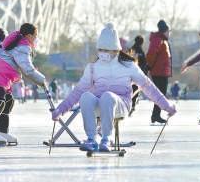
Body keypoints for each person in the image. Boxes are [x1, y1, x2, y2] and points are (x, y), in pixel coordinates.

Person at [51, 23, 176, 152]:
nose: (102, 53)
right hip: (99, 105)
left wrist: (166, 106)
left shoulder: (129, 66)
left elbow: (148, 87)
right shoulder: (93, 68)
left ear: (115, 50)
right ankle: (91, 139)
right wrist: (60, 110)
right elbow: (77, 92)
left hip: (121, 104)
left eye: (106, 50)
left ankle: (106, 138)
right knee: (86, 97)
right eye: (100, 50)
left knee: (107, 96)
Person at [0, 23, 46, 145]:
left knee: (8, 100)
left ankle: (1, 131)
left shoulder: (15, 42)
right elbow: (27, 69)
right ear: (29, 36)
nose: (36, 39)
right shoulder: (22, 47)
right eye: (35, 36)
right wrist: (42, 80)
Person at [146, 20, 172, 125]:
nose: (169, 33)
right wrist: (149, 66)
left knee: (161, 95)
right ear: (164, 31)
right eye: (168, 31)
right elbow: (151, 53)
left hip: (162, 72)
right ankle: (155, 116)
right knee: (160, 95)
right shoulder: (158, 40)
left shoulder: (162, 40)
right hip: (158, 72)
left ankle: (155, 115)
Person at [129, 35, 148, 115]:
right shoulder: (140, 50)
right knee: (135, 89)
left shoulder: (131, 49)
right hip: (138, 73)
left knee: (131, 89)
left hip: (130, 73)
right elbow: (144, 62)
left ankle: (130, 104)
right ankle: (132, 104)